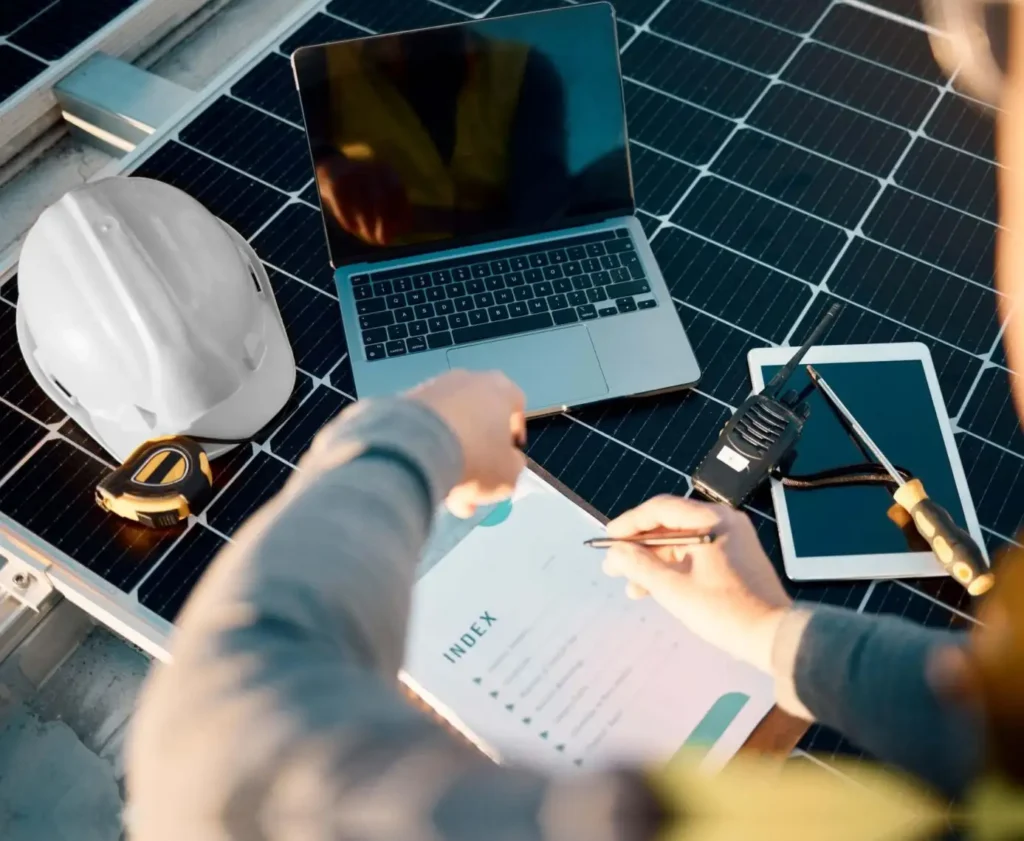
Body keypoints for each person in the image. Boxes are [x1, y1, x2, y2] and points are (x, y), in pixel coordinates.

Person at [298, 26, 569, 251]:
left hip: (496, 255)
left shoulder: (523, 68)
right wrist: (324, 167)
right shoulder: (319, 62)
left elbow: (540, 206)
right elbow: (282, 161)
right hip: (370, 260)